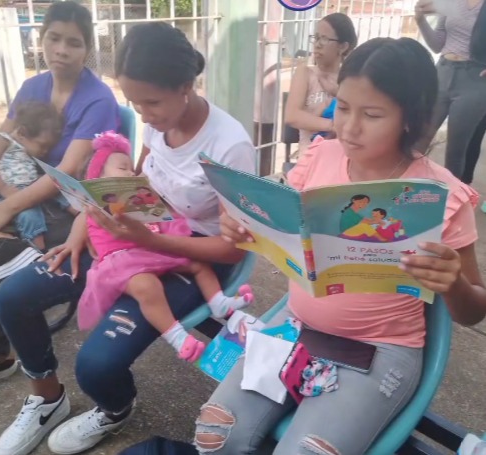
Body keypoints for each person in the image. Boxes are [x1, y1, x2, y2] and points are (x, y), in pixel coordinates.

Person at [195, 37, 486, 455]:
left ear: (410, 117)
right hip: (294, 327)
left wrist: (453, 283)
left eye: (372, 115)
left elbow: (474, 309)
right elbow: (283, 230)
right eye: (343, 108)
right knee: (214, 436)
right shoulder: (320, 157)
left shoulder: (441, 196)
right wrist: (245, 226)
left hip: (379, 348)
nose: (349, 127)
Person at [0, 22, 256, 455]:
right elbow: (134, 186)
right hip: (131, 237)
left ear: (185, 86)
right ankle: (47, 399)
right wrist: (83, 228)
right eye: (135, 104)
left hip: (190, 254)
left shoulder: (229, 146)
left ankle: (115, 408)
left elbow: (232, 249)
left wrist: (149, 241)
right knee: (13, 296)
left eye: (152, 103)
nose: (144, 117)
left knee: (95, 366)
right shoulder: (157, 124)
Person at [0, 0, 119, 394]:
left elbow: (68, 172)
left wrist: (6, 206)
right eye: (54, 38)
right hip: (22, 189)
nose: (61, 50)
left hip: (64, 209)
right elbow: (3, 140)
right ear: (41, 39)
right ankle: (9, 240)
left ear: (87, 48)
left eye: (73, 43)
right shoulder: (33, 87)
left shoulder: (98, 99)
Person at [79, 131, 254, 362]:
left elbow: (154, 221)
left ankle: (219, 303)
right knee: (147, 287)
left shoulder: (132, 196)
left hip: (149, 248)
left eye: (131, 168)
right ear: (96, 180)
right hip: (124, 262)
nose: (131, 173)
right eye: (123, 169)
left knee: (197, 263)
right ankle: (177, 337)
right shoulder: (99, 207)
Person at [0, 101, 66, 256]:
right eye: (42, 145)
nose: (45, 151)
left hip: (29, 187)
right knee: (30, 214)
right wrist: (4, 188)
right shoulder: (2, 140)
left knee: (58, 189)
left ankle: (78, 211)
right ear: (22, 133)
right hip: (8, 190)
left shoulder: (27, 148)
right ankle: (38, 250)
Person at [415, 0, 486, 184]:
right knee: (420, 137)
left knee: (456, 149)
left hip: (474, 79)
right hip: (443, 72)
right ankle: (404, 189)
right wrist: (421, 20)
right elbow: (437, 44)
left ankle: (451, 196)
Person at [285, 12, 357, 156]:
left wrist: (338, 92)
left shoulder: (351, 77)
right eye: (316, 38)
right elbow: (292, 116)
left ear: (343, 46)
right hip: (311, 156)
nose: (317, 44)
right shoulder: (305, 73)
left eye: (324, 39)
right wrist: (333, 125)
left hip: (343, 156)